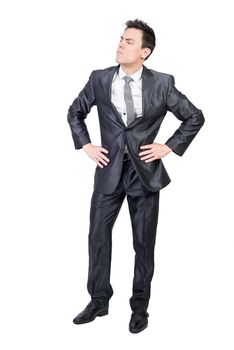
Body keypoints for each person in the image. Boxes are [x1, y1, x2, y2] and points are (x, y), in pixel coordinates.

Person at [67, 19, 205, 334]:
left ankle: (140, 308)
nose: (120, 44)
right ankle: (98, 300)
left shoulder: (162, 83)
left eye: (129, 41)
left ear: (145, 51)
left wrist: (168, 147)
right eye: (120, 38)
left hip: (144, 173)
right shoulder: (99, 79)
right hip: (108, 170)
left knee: (143, 244)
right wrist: (86, 145)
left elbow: (194, 116)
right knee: (97, 238)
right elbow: (75, 111)